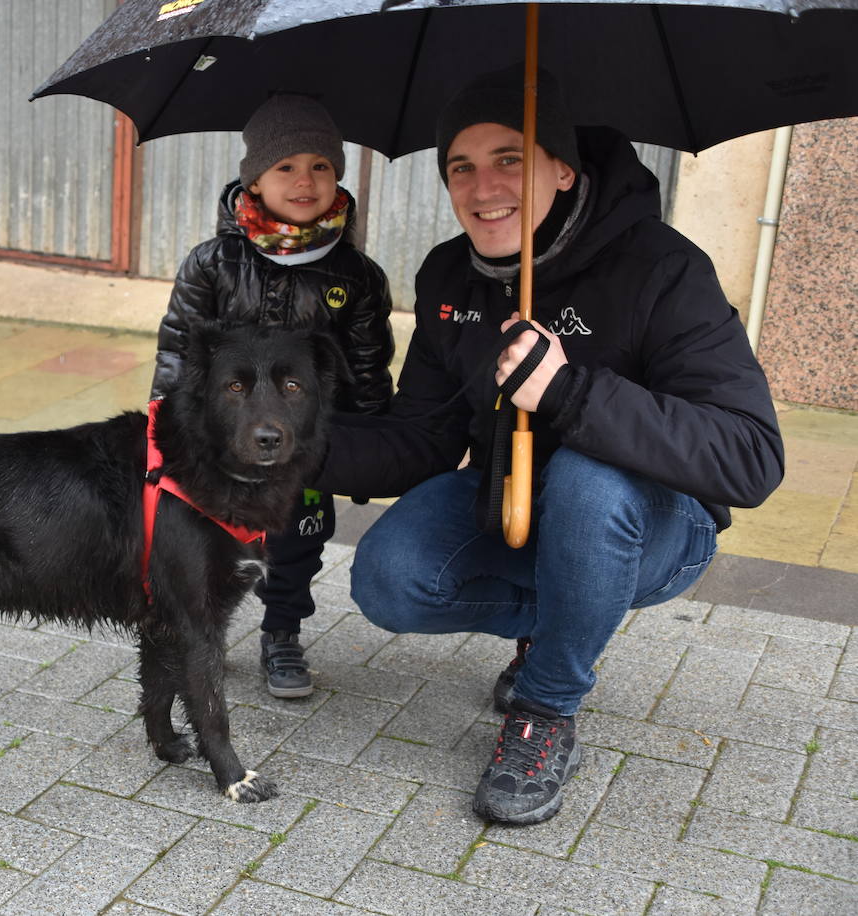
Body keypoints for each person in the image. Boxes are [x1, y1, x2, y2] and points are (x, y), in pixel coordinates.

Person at [312, 65, 784, 824]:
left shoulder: (663, 270)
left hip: (658, 527)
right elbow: (421, 440)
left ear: (562, 170)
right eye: (460, 167)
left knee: (591, 484)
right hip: (514, 504)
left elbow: (751, 458)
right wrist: (287, 452)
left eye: (509, 158)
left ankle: (547, 705)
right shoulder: (449, 276)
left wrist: (570, 394)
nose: (482, 185)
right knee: (389, 579)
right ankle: (562, 619)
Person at [150, 93, 395, 699]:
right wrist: (161, 431)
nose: (304, 180)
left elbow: (367, 362)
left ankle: (282, 631)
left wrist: (375, 442)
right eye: (285, 166)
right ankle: (200, 630)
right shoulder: (213, 263)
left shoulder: (355, 276)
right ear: (254, 178)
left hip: (304, 447)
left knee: (299, 539)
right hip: (222, 439)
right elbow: (178, 348)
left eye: (320, 165)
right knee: (211, 538)